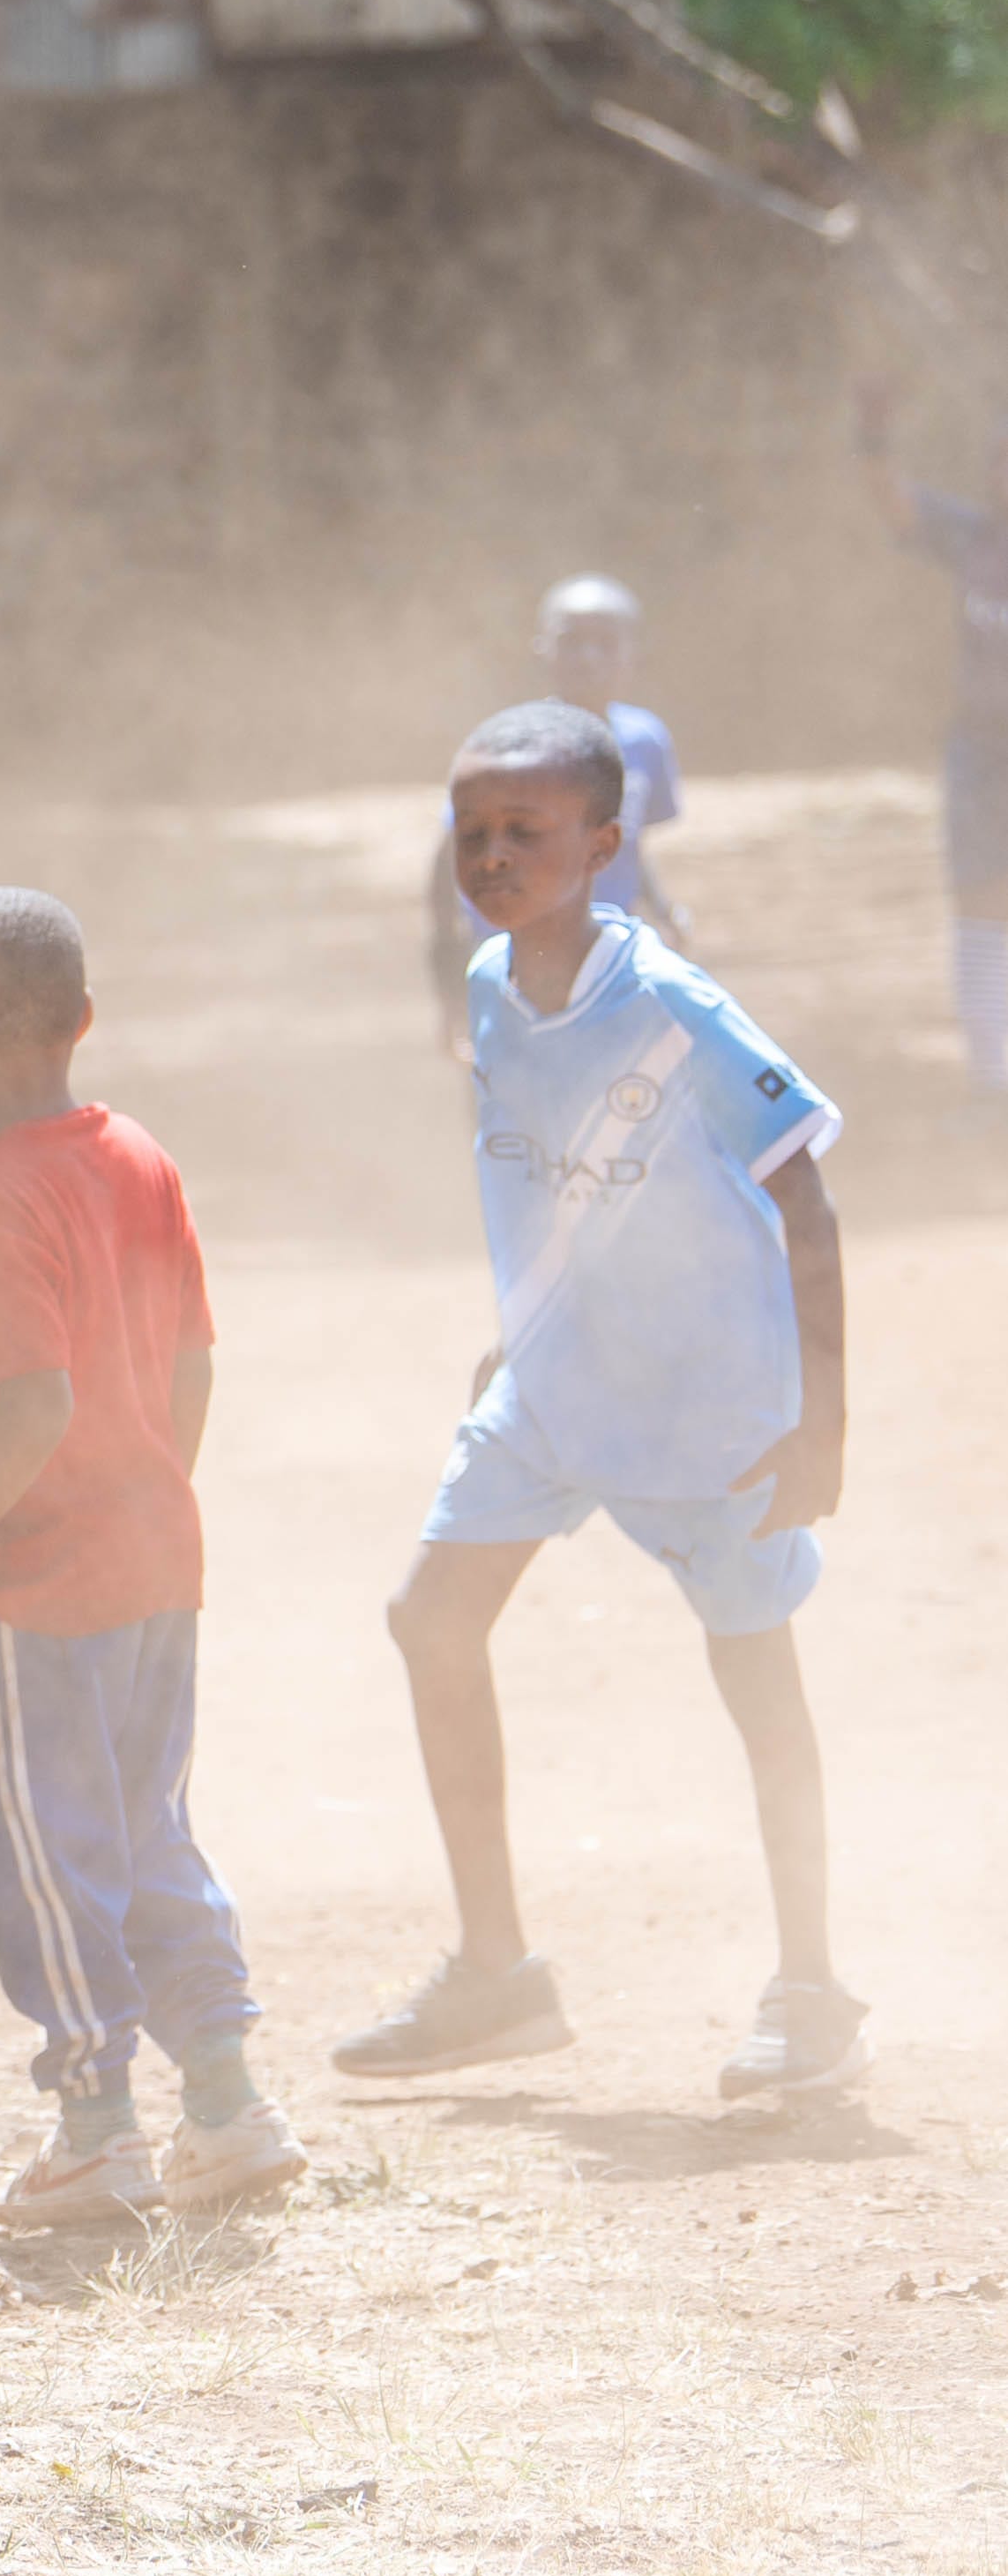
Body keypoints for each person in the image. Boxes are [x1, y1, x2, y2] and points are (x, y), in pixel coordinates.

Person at [342, 702, 863, 2101]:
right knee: (428, 1619)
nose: (491, 856)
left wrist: (820, 1425)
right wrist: (510, 1332)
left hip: (713, 1411)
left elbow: (806, 1203)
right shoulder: (485, 984)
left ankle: (811, 1992)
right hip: (554, 1387)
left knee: (755, 1684)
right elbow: (544, 1176)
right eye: (471, 832)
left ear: (602, 845)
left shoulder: (674, 1009)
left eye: (525, 831)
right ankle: (496, 1974)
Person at [0, 887, 302, 2229]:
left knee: (51, 1850)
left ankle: (94, 2130)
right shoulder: (141, 1157)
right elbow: (192, 1364)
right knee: (148, 1831)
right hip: (155, 1563)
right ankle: (227, 2103)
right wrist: (151, 1490)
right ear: (81, 1020)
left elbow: (34, 1402)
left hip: (39, 1582)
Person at [421, 576, 686, 1051]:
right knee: (511, 1092)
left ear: (634, 652)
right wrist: (449, 980)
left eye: (606, 643)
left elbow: (626, 843)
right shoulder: (510, 748)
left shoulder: (644, 742)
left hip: (608, 967)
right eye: (572, 642)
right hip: (516, 970)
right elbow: (450, 860)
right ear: (542, 649)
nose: (589, 657)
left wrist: (663, 910)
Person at [853, 381, 1008, 1094]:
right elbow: (891, 497)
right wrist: (872, 434)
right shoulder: (975, 538)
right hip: (981, 752)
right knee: (981, 904)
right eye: (1000, 457)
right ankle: (993, 1085)